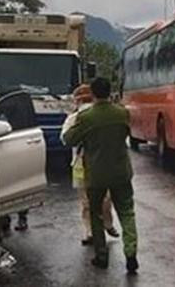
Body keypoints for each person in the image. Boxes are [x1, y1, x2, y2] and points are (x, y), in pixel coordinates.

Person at [63, 77, 138, 275]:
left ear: (94, 94)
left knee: (95, 213)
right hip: (121, 171)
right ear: (109, 92)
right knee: (127, 212)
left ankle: (101, 255)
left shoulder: (87, 117)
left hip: (96, 174)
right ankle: (131, 254)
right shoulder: (122, 113)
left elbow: (69, 139)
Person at [61, 84, 119, 246]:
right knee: (94, 199)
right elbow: (66, 138)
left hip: (98, 162)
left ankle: (106, 224)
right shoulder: (73, 118)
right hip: (81, 163)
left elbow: (64, 139)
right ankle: (90, 231)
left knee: (97, 199)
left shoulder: (98, 115)